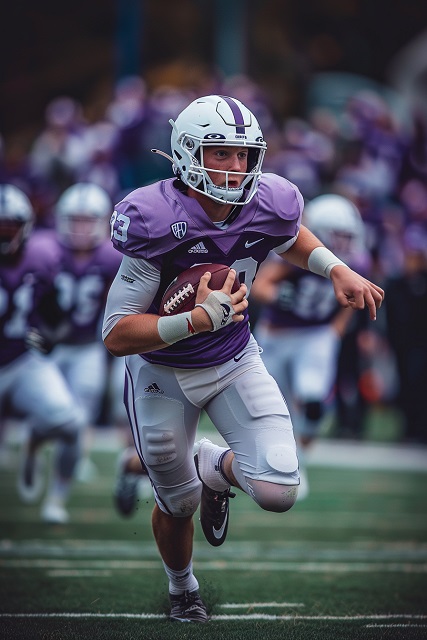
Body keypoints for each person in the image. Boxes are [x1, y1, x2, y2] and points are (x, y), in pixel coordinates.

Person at [102, 95, 384, 623]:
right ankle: (183, 588)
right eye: (221, 153)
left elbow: (287, 235)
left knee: (279, 489)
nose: (236, 167)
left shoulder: (269, 199)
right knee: (177, 501)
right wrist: (191, 321)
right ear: (187, 153)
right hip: (160, 372)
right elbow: (116, 334)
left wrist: (334, 267)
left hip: (234, 357)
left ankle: (215, 470)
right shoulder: (153, 217)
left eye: (243, 154)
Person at [251, 193, 371, 499]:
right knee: (275, 407)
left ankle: (298, 461)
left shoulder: (356, 260)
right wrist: (278, 296)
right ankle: (287, 465)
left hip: (315, 335)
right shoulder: (300, 255)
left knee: (314, 401)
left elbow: (352, 297)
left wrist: (335, 331)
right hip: (276, 335)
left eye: (348, 235)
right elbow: (261, 284)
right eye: (337, 234)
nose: (343, 241)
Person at [0, 183, 85, 524]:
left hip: (23, 359)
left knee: (72, 423)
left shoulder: (40, 257)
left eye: (9, 228)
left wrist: (52, 337)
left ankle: (56, 499)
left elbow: (58, 316)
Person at [46, 182, 122, 481]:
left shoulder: (111, 256)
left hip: (88, 344)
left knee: (84, 404)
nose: (80, 228)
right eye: (75, 220)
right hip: (49, 345)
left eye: (88, 220)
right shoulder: (46, 251)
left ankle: (76, 456)